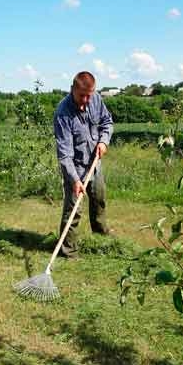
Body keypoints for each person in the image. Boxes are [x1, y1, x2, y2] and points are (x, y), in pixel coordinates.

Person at [53, 71, 114, 258]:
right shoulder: (62, 114)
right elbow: (65, 155)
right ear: (72, 89)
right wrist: (75, 180)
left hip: (94, 162)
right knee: (74, 209)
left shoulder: (95, 99)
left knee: (99, 199)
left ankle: (101, 238)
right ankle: (69, 250)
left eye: (90, 95)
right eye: (82, 95)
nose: (86, 100)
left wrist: (103, 141)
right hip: (75, 167)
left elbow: (107, 122)